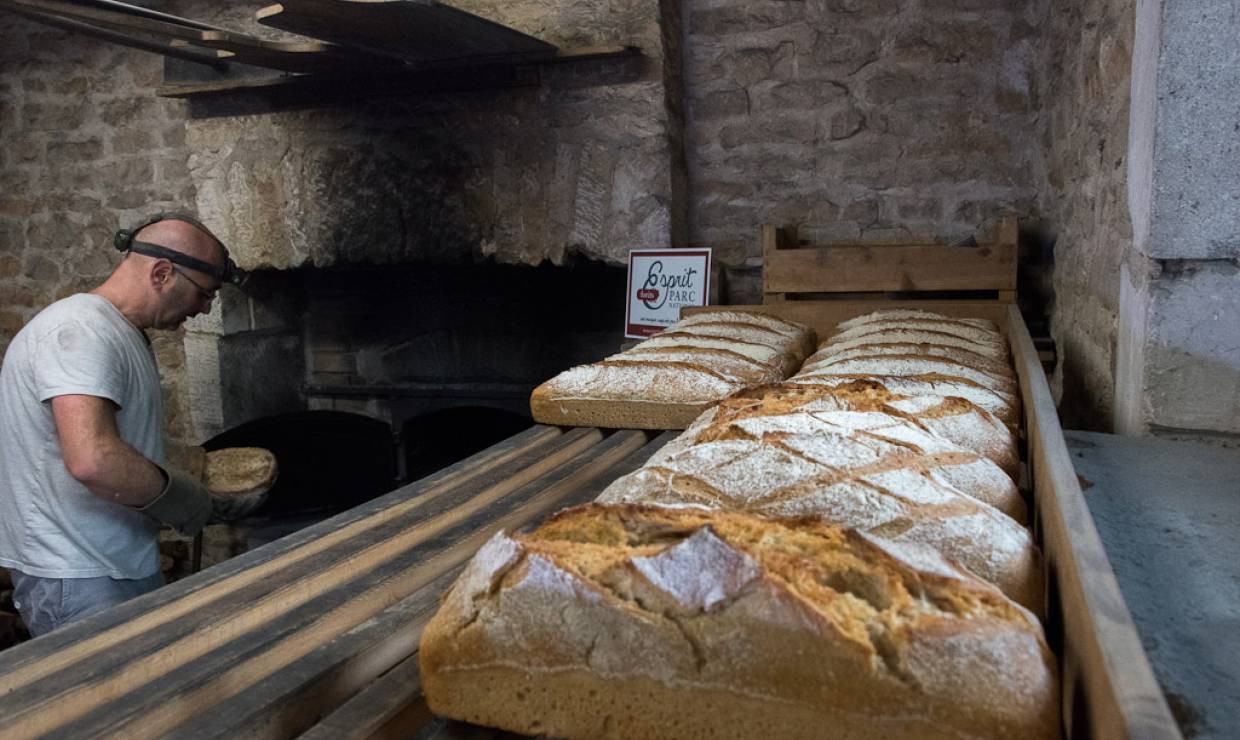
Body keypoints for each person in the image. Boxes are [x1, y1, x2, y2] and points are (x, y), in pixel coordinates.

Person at [0, 211, 249, 637]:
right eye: (204, 294)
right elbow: (93, 460)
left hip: (110, 565)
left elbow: (105, 439)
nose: (205, 308)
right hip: (79, 576)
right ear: (162, 272)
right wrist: (183, 500)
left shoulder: (116, 331)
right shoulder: (78, 331)